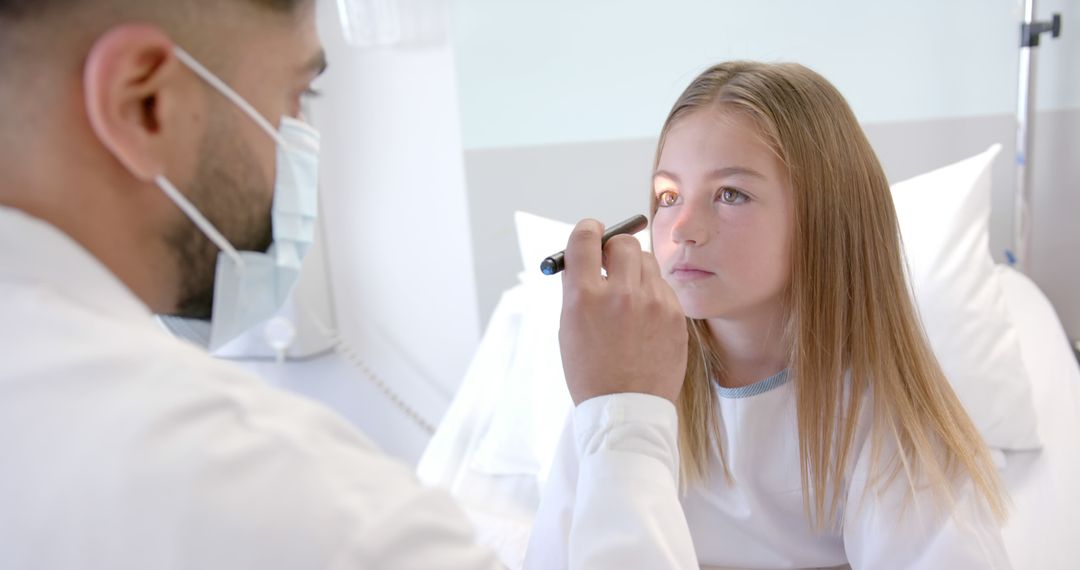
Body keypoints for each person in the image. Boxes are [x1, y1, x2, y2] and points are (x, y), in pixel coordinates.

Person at [0, 0, 690, 567]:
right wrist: (628, 422)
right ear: (144, 101)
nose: (299, 141)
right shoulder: (289, 502)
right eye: (295, 96)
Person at [525, 61, 1012, 569]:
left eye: (730, 194)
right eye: (669, 196)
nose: (682, 229)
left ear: (826, 217)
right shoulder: (624, 392)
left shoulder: (883, 421)